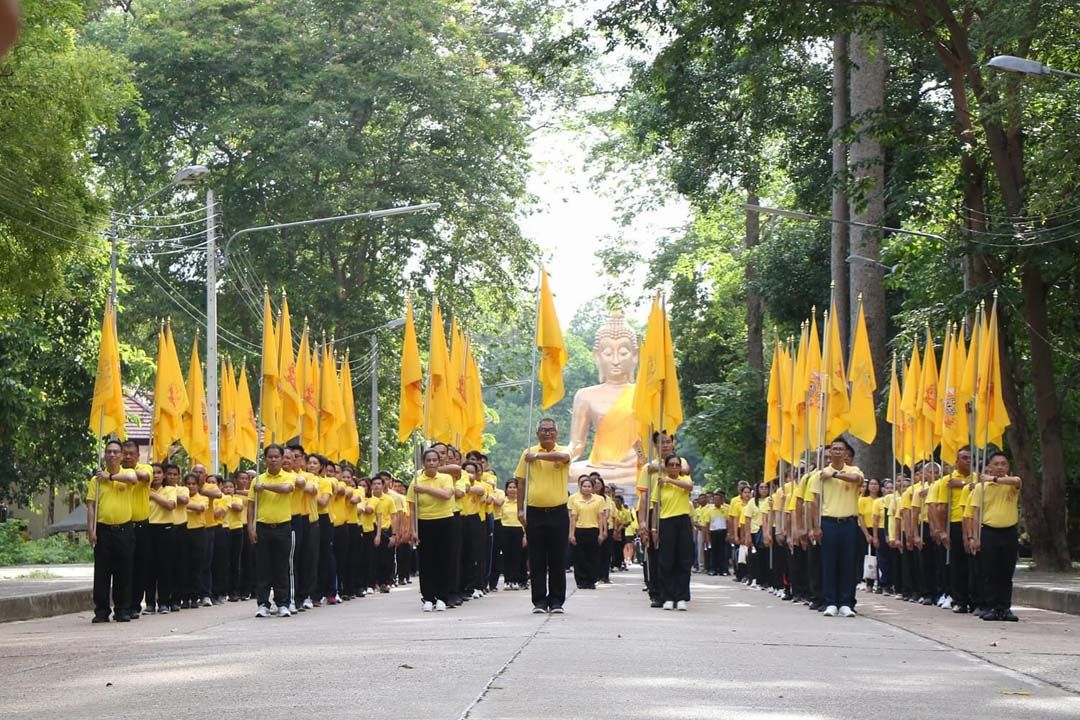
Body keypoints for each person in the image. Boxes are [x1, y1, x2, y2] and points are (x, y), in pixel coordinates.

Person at [515, 418, 572, 614]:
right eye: (543, 430)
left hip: (558, 510)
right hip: (535, 511)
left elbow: (563, 457)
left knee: (557, 558)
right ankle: (539, 601)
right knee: (536, 557)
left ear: (557, 433)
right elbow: (520, 482)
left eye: (550, 430)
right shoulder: (527, 453)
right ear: (537, 433)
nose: (547, 434)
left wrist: (538, 457)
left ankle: (557, 601)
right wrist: (520, 509)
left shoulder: (564, 450)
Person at [809, 439, 864, 618]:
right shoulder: (820, 474)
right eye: (835, 449)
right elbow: (814, 502)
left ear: (846, 453)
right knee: (828, 563)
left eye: (841, 449)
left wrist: (834, 475)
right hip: (828, 523)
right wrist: (815, 526)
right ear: (830, 453)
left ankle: (846, 603)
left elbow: (857, 480)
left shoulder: (853, 470)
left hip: (849, 523)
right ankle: (830, 602)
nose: (838, 452)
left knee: (848, 564)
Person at [87, 440, 137, 623]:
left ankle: (122, 609)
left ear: (122, 456)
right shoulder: (95, 481)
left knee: (124, 571)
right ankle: (101, 610)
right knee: (102, 572)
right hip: (103, 531)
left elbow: (133, 480)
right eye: (109, 452)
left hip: (124, 530)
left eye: (116, 452)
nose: (112, 455)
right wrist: (91, 530)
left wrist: (109, 477)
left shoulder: (127, 473)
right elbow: (91, 506)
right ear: (104, 455)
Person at [969, 451, 1022, 622]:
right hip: (989, 531)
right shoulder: (980, 488)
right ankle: (990, 606)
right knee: (989, 571)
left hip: (1009, 531)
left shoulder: (1011, 483)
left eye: (1003, 464)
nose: (999, 467)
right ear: (989, 466)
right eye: (996, 464)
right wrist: (975, 537)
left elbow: (1017, 481)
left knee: (1006, 572)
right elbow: (975, 514)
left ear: (1008, 467)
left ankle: (1004, 607)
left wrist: (993, 479)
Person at [248, 444, 295, 618]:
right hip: (262, 527)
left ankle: (283, 603)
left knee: (282, 566)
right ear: (265, 459)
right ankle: (263, 603)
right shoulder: (256, 480)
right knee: (263, 567)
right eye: (270, 457)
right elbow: (251, 506)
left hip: (283, 527)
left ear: (282, 459)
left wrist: (265, 487)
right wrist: (250, 527)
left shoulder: (288, 477)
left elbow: (286, 489)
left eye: (277, 457)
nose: (273, 460)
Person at [407, 448, 456, 612]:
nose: (432, 463)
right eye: (428, 460)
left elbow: (446, 495)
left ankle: (442, 597)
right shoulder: (416, 481)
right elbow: (412, 508)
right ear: (423, 463)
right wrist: (413, 530)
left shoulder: (446, 478)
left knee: (444, 560)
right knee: (426, 562)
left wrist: (425, 489)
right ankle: (428, 598)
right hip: (424, 523)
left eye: (435, 460)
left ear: (439, 462)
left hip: (445, 520)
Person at [652, 455, 694, 610]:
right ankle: (668, 597)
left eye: (677, 465)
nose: (674, 467)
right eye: (671, 465)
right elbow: (656, 507)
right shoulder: (660, 483)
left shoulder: (685, 479)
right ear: (666, 467)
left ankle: (681, 596)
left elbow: (689, 487)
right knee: (666, 561)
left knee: (684, 560)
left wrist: (670, 480)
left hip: (683, 520)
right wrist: (654, 528)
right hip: (666, 521)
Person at [119, 440, 152, 619]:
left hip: (140, 526)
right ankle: (122, 605)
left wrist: (126, 473)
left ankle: (134, 605)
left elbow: (144, 478)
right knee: (123, 568)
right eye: (125, 453)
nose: (128, 456)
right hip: (122, 527)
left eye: (132, 454)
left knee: (139, 567)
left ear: (138, 455)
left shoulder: (145, 469)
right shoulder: (115, 473)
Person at [145, 464, 177, 614]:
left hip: (165, 529)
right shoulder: (143, 489)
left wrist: (154, 496)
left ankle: (164, 601)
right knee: (149, 568)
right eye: (153, 473)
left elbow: (170, 505)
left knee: (165, 567)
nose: (156, 475)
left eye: (159, 473)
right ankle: (150, 603)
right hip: (148, 529)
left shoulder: (170, 489)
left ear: (163, 475)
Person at [568, 477, 605, 590]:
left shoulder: (599, 500)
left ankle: (591, 580)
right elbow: (573, 518)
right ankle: (581, 581)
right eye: (584, 486)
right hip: (580, 530)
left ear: (593, 488)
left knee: (592, 557)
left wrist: (601, 533)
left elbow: (601, 517)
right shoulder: (576, 500)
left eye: (589, 486)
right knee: (579, 557)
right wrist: (571, 534)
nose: (587, 488)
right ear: (580, 487)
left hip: (593, 530)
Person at [184, 474, 210, 609]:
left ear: (198, 486)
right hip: (183, 532)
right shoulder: (180, 495)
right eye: (188, 484)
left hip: (199, 532)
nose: (191, 486)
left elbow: (200, 509)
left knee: (197, 565)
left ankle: (195, 596)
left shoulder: (203, 498)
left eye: (193, 484)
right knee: (184, 565)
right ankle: (184, 597)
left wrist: (183, 503)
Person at [166, 463, 189, 611]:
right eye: (169, 474)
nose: (172, 477)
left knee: (179, 564)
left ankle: (177, 598)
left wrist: (169, 495)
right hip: (164, 527)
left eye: (175, 474)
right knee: (165, 565)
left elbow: (183, 499)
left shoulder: (182, 489)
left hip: (180, 527)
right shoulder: (161, 489)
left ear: (179, 477)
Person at [370, 475, 397, 593]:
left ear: (383, 485)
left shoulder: (389, 499)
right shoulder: (368, 499)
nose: (376, 486)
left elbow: (394, 517)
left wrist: (394, 535)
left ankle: (384, 582)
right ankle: (373, 582)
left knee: (386, 559)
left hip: (386, 531)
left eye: (379, 484)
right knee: (373, 558)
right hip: (371, 530)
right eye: (374, 484)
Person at [221, 477, 247, 603]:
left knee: (235, 561)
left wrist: (228, 502)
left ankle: (234, 591)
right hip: (224, 530)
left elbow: (238, 508)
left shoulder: (237, 498)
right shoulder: (219, 499)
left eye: (231, 487)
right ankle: (223, 590)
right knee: (224, 561)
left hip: (237, 530)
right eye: (226, 487)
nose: (228, 489)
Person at [500, 479, 527, 590]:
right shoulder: (503, 501)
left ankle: (516, 580)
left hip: (518, 530)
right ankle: (507, 580)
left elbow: (526, 519)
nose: (512, 490)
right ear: (506, 489)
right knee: (506, 556)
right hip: (505, 529)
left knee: (517, 556)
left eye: (514, 487)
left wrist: (525, 535)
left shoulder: (522, 503)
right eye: (510, 487)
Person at [859, 478, 882, 591]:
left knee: (879, 557)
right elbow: (861, 518)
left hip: (878, 529)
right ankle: (868, 582)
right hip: (865, 530)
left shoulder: (881, 500)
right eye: (871, 484)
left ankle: (879, 581)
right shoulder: (863, 500)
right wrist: (867, 534)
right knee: (868, 556)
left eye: (876, 484)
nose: (874, 486)